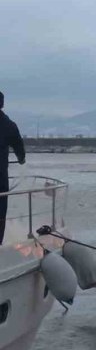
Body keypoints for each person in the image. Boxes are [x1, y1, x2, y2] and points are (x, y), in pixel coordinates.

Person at [0, 91, 26, 245]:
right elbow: (19, 146)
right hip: (0, 177)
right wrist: (21, 159)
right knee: (0, 211)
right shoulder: (9, 124)